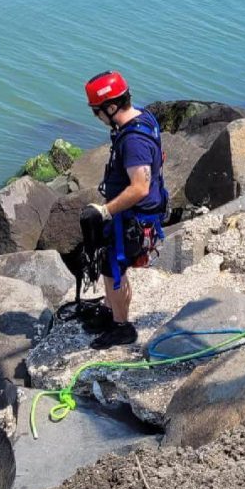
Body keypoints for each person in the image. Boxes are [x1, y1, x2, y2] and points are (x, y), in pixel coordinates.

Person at [81, 70, 169, 349]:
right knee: (113, 267)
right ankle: (111, 309)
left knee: (112, 267)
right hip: (135, 216)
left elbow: (140, 186)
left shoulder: (134, 141)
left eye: (97, 112)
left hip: (133, 220)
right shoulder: (144, 118)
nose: (97, 117)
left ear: (111, 107)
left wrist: (105, 211)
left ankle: (122, 326)